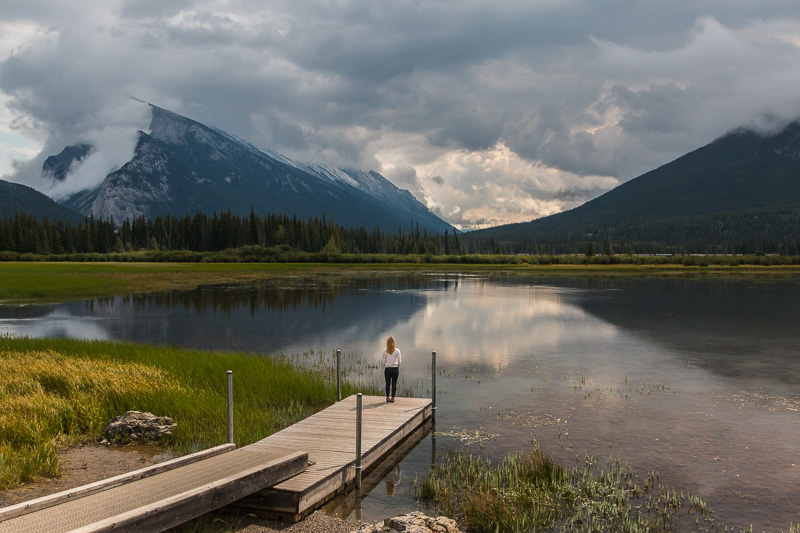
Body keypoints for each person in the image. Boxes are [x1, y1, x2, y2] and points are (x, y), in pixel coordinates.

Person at [382, 336, 401, 402]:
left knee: (387, 383)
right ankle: (392, 398)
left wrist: (385, 364)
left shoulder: (384, 351)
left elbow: (383, 361)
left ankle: (387, 397)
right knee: (394, 384)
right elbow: (399, 361)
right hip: (395, 369)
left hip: (387, 369)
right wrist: (398, 367)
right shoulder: (397, 351)